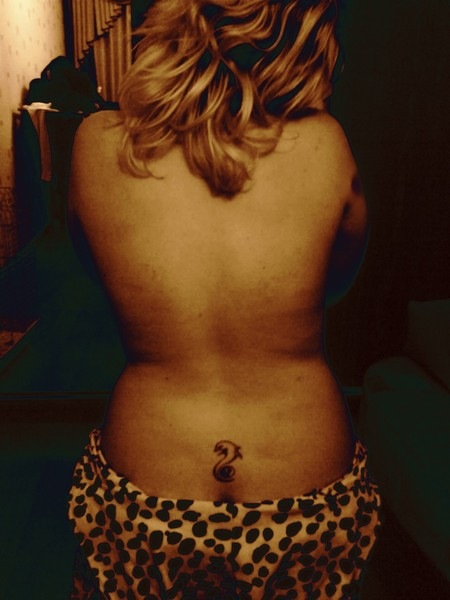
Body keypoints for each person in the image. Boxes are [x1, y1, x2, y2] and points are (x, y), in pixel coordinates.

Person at [67, 0, 381, 597]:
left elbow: (97, 276)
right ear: (299, 29)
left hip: (145, 494)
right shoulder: (326, 144)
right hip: (307, 498)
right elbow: (335, 286)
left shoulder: (94, 143)